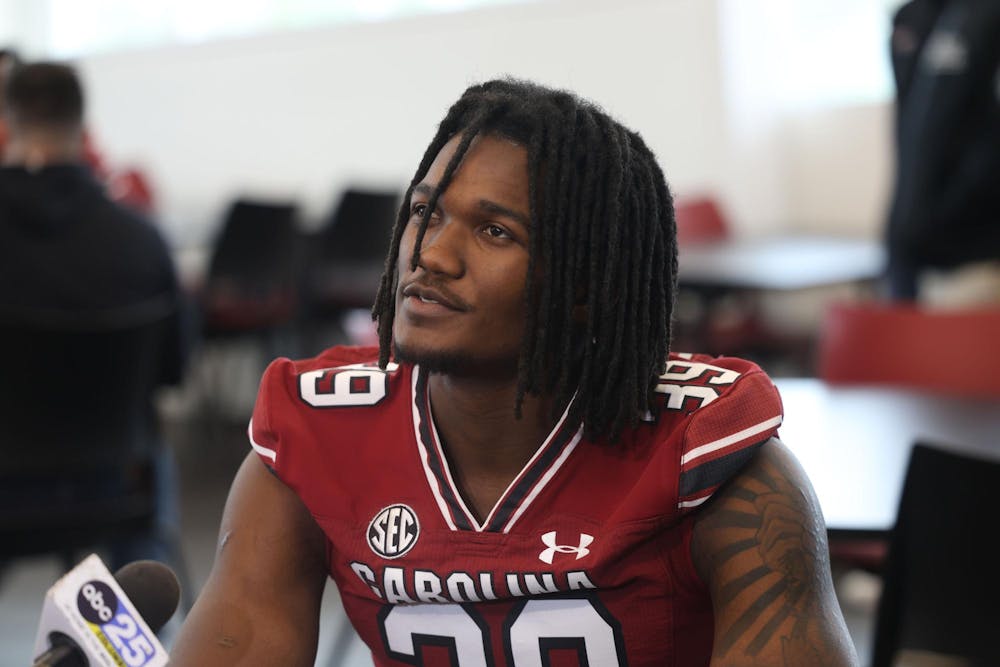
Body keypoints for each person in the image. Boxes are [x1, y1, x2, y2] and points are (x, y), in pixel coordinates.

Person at [171, 79, 857, 666]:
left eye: (494, 230)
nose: (431, 255)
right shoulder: (314, 436)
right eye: (424, 213)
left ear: (588, 284)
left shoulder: (713, 464)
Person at [0, 61, 188, 568]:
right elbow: (173, 372)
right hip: (112, 492)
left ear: (7, 122)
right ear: (82, 129)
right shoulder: (144, 241)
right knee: (150, 442)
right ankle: (143, 636)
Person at [885, 0, 1000, 301]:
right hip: (907, 236)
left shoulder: (987, 16)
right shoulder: (908, 18)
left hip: (972, 249)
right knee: (896, 343)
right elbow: (908, 131)